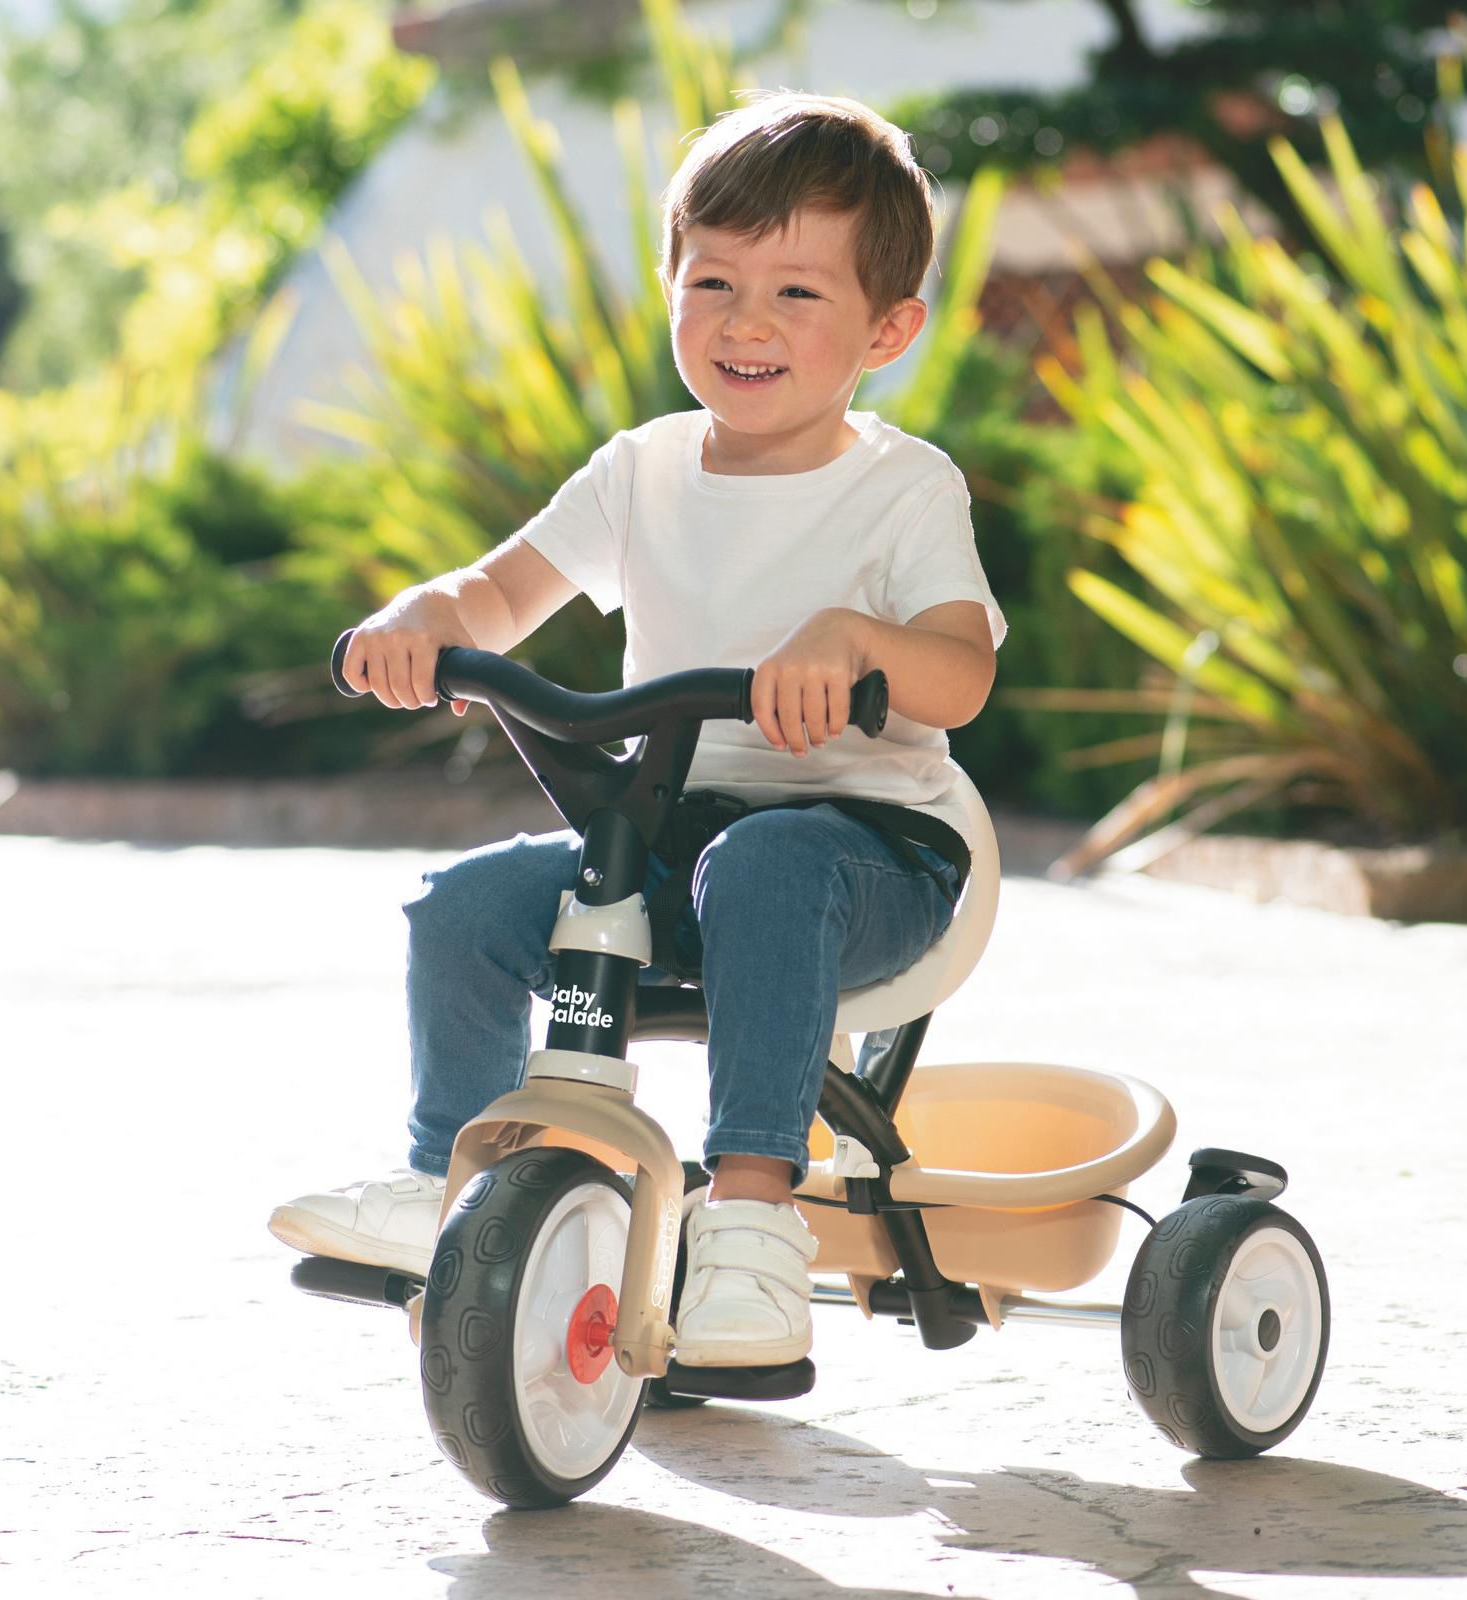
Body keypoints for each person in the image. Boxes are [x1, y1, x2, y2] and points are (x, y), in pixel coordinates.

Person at [269, 90, 1007, 1368]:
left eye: (796, 294)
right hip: (676, 838)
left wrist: (857, 640)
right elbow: (497, 595)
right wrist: (418, 619)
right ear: (669, 284)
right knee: (467, 905)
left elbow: (960, 674)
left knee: (767, 867)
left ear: (889, 327)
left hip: (881, 858)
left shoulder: (901, 488)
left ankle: (754, 1223)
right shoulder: (642, 470)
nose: (745, 322)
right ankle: (446, 1173)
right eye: (712, 280)